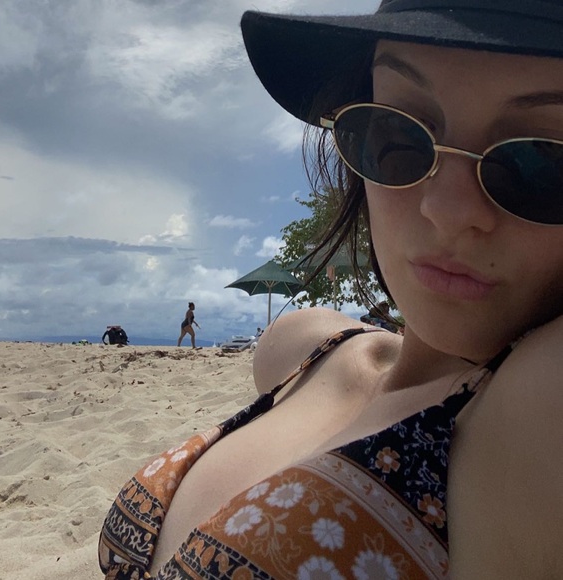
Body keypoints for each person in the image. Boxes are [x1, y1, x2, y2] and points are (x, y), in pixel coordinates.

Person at [99, 3, 563, 578]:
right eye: (399, 132)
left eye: (542, 159)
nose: (443, 208)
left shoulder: (536, 412)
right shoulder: (305, 344)